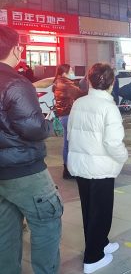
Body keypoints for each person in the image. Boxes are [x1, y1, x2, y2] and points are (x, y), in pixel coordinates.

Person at [0, 26, 62, 273]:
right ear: (15, 49)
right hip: (25, 171)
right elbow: (34, 129)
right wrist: (48, 124)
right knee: (46, 224)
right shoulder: (16, 82)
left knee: (5, 231)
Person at [67, 63, 128, 273]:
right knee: (101, 212)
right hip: (100, 168)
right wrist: (123, 157)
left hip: (82, 166)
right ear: (112, 83)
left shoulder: (79, 102)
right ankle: (93, 257)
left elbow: (70, 135)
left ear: (89, 80)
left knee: (89, 210)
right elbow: (113, 143)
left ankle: (101, 242)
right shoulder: (109, 107)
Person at [53, 63, 85, 179]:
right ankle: (71, 169)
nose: (72, 72)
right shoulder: (66, 84)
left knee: (67, 143)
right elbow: (81, 94)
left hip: (63, 116)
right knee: (73, 144)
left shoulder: (58, 82)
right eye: (70, 70)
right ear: (64, 73)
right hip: (69, 116)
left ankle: (67, 169)